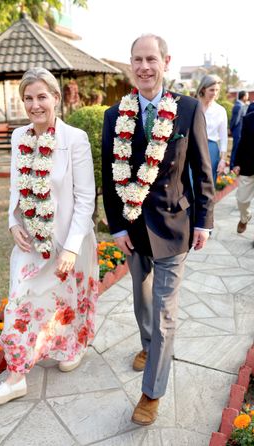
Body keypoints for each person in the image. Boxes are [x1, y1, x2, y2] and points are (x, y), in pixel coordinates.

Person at [102, 34, 214, 426]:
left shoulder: (186, 109)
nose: (144, 66)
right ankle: (148, 347)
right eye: (137, 59)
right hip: (133, 229)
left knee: (165, 312)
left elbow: (201, 170)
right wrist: (116, 228)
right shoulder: (114, 115)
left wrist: (204, 220)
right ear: (130, 64)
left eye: (151, 59)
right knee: (142, 301)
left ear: (166, 61)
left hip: (174, 225)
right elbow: (108, 177)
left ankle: (152, 392)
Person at [0, 67, 99, 405]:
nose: (35, 105)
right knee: (20, 301)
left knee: (69, 300)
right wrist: (12, 223)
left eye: (42, 97)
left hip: (68, 240)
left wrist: (72, 248)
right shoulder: (19, 137)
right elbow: (14, 189)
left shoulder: (75, 139)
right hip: (31, 242)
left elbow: (85, 199)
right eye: (29, 98)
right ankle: (16, 377)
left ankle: (72, 346)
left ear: (56, 98)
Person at [196, 74, 228, 185]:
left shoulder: (220, 111)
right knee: (190, 180)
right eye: (211, 90)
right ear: (203, 89)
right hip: (193, 146)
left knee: (208, 184)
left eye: (217, 90)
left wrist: (223, 160)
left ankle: (206, 203)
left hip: (212, 149)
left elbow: (224, 138)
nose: (214, 93)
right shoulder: (193, 106)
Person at [233, 111, 254, 234]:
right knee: (242, 200)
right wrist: (237, 163)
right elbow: (243, 142)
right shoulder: (248, 119)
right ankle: (245, 217)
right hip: (248, 166)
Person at [229, 90, 249, 169]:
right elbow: (235, 120)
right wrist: (231, 129)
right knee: (235, 148)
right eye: (247, 96)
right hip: (237, 131)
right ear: (243, 96)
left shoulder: (241, 105)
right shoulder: (239, 106)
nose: (247, 97)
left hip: (239, 131)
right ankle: (232, 166)